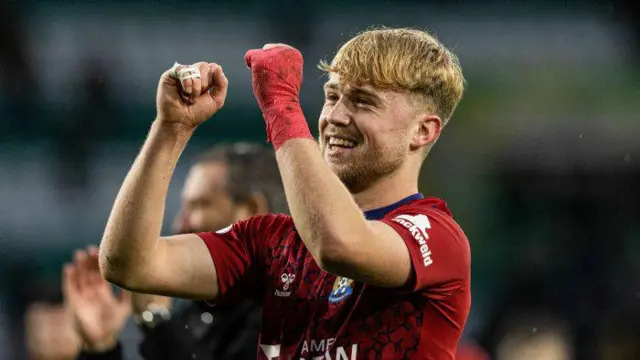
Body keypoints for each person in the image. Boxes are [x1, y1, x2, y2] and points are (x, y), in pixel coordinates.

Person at [99, 27, 471, 359]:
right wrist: (171, 129)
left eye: (363, 102)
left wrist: (281, 105)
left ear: (423, 131)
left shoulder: (437, 236)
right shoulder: (272, 241)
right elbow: (130, 264)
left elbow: (338, 244)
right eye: (332, 96)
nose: (334, 117)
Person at [28, 144, 284, 360]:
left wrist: (156, 320)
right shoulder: (195, 313)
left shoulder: (293, 309)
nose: (179, 224)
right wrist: (101, 347)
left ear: (253, 210)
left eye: (198, 205)